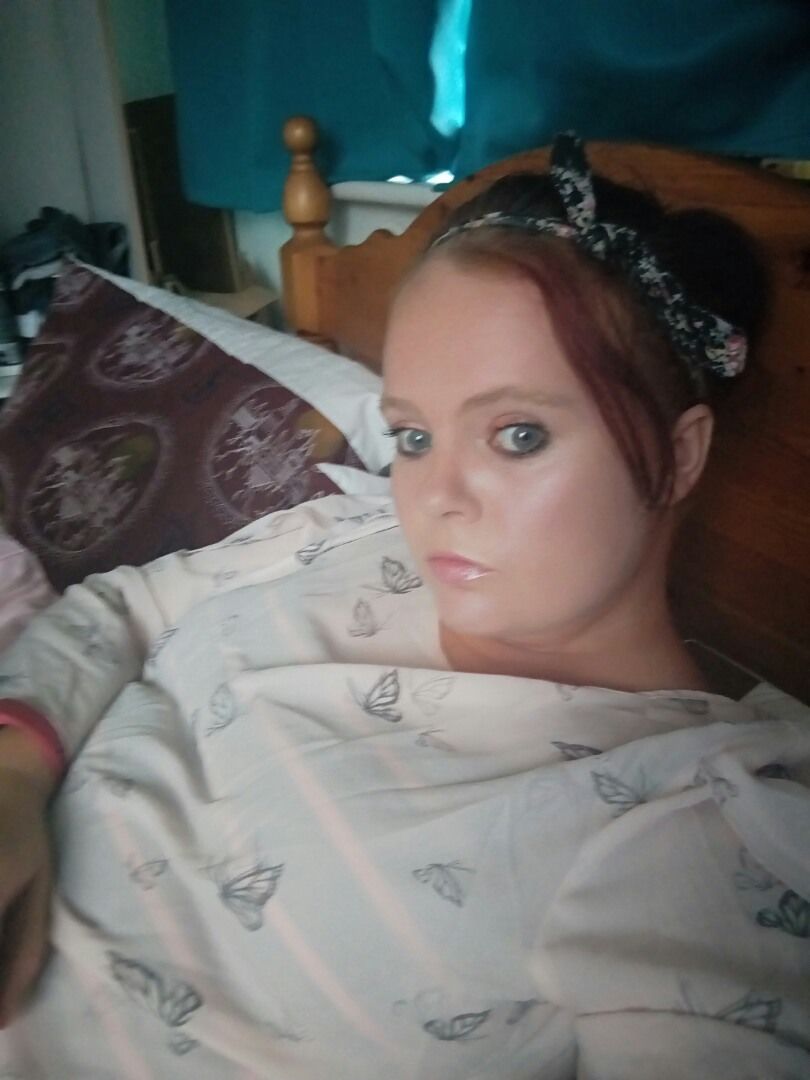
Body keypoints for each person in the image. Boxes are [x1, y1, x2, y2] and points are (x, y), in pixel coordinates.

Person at [0, 135, 808, 1079]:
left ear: (679, 455)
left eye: (518, 434)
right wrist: (15, 776)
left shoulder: (688, 836)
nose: (435, 499)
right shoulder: (344, 529)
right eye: (414, 436)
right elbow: (119, 608)